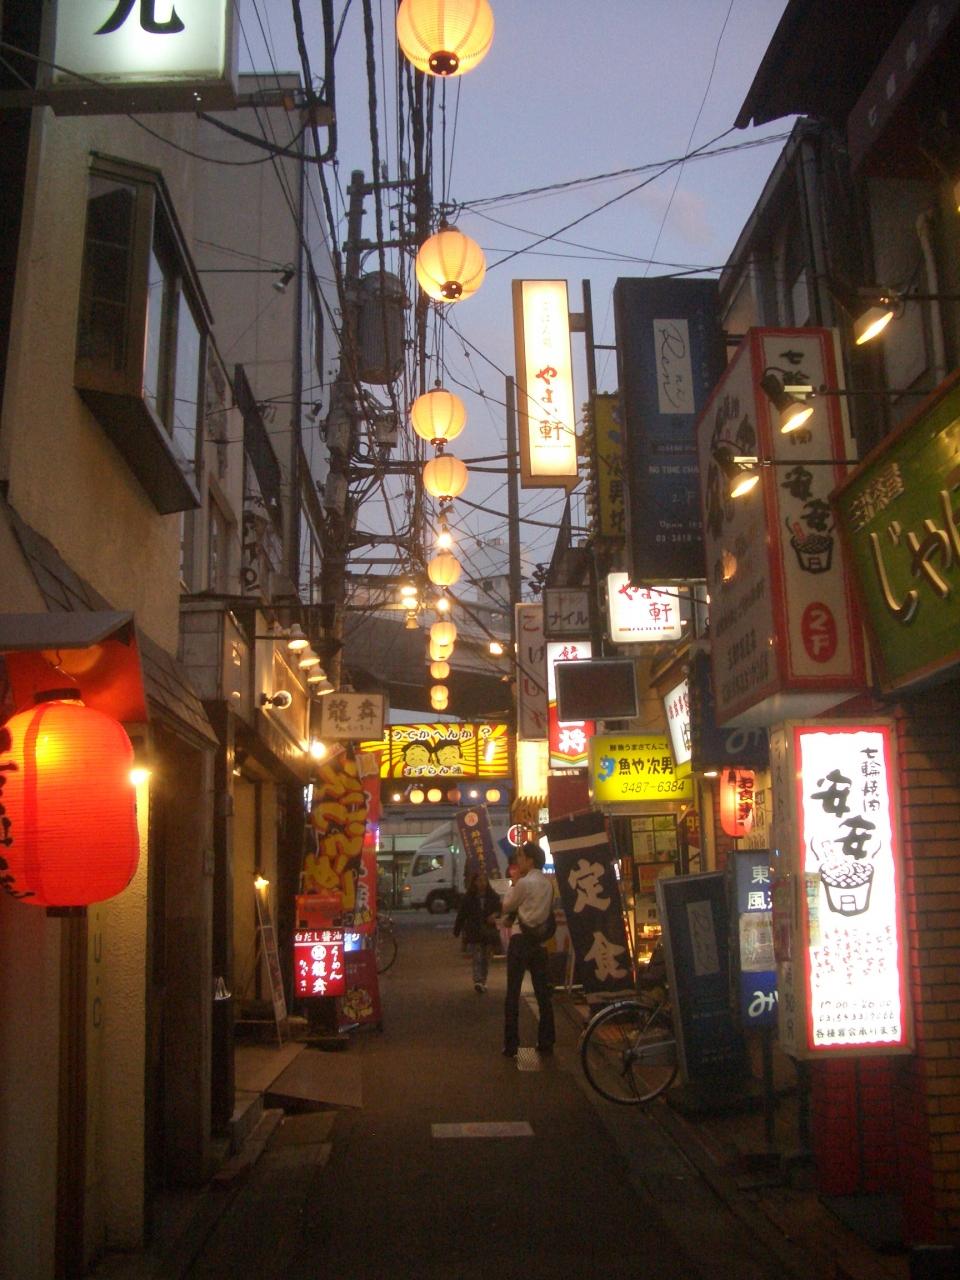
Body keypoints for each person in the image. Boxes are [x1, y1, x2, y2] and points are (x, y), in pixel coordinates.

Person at [499, 841, 556, 1057]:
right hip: (539, 942)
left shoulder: (523, 883)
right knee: (543, 994)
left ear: (530, 860)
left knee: (513, 992)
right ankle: (547, 1040)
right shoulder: (548, 885)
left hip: (520, 940)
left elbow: (507, 905)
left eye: (521, 857)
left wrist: (513, 885)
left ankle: (512, 1044)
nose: (518, 861)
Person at [453, 869, 501, 993]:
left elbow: (500, 910)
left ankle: (483, 980)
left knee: (486, 958)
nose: (482, 883)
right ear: (474, 882)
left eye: (484, 880)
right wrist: (457, 929)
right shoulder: (468, 898)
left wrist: (495, 915)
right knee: (477, 956)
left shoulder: (493, 896)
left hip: (488, 931)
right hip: (474, 930)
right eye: (479, 880)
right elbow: (462, 914)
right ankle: (478, 980)